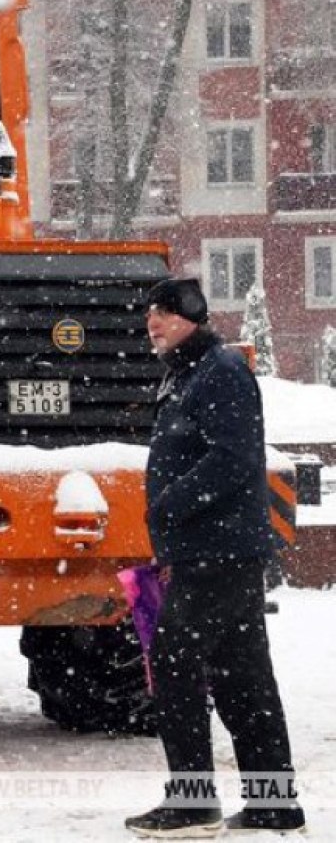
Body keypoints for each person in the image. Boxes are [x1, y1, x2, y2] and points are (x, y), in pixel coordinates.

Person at [125, 278, 303, 838]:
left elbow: (234, 457)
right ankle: (273, 802)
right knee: (242, 679)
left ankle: (192, 801)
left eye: (166, 312)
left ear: (193, 317)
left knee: (175, 669)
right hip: (216, 551)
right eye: (150, 312)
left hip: (219, 553)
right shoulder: (186, 375)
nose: (153, 321)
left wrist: (170, 506)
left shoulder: (219, 371)